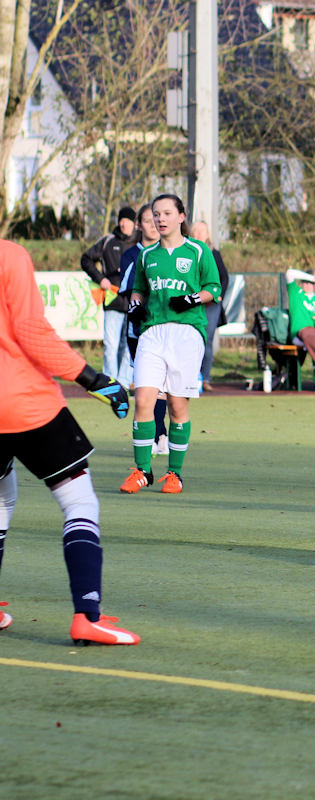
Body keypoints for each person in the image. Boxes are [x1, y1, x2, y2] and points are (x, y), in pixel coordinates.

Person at [0, 238, 139, 645]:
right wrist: (91, 379)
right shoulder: (9, 255)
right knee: (78, 500)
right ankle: (87, 615)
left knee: (2, 499)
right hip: (22, 403)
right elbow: (30, 331)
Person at [119, 194, 222, 495]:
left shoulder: (198, 251)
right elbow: (138, 290)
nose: (160, 219)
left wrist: (191, 299)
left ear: (180, 216)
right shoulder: (147, 255)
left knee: (177, 406)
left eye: (166, 213)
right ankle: (142, 471)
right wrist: (134, 306)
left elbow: (213, 289)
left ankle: (174, 474)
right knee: (143, 400)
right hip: (152, 332)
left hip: (187, 333)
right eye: (155, 214)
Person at [118, 203, 169, 456]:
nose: (154, 224)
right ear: (139, 225)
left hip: (167, 330)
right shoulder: (132, 255)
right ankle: (149, 434)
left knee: (163, 386)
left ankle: (161, 433)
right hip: (140, 331)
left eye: (157, 218)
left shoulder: (171, 253)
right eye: (149, 220)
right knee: (145, 385)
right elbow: (131, 293)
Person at [81, 205, 138, 384]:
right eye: (121, 220)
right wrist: (100, 279)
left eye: (127, 221)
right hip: (112, 300)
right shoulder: (107, 241)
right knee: (111, 345)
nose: (124, 224)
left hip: (133, 301)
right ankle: (110, 384)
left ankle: (123, 383)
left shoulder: (142, 243)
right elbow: (86, 259)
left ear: (134, 223)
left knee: (128, 345)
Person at [191, 221, 230, 391]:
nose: (199, 234)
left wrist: (218, 295)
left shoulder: (214, 253)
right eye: (196, 231)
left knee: (206, 339)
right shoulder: (187, 252)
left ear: (207, 234)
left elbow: (224, 277)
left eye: (203, 231)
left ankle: (205, 378)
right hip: (193, 303)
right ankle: (190, 376)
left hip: (211, 305)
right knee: (191, 339)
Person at [285, 267, 315, 342]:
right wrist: (313, 278)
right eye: (305, 282)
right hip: (298, 335)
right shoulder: (296, 293)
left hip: (313, 334)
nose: (307, 285)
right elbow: (289, 273)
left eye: (311, 283)